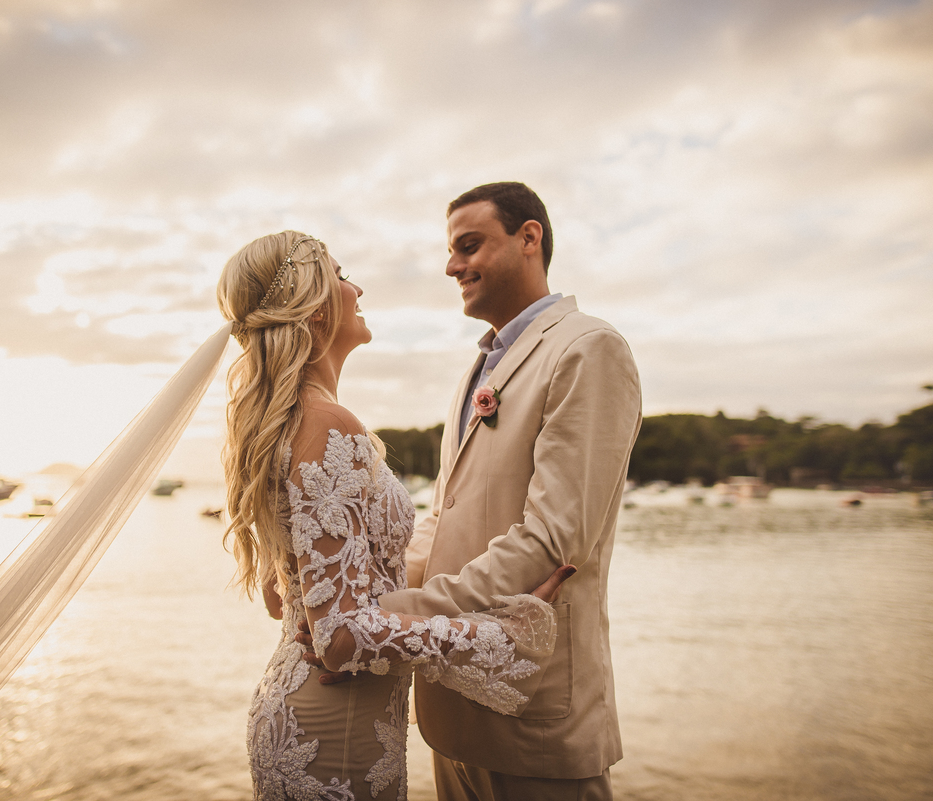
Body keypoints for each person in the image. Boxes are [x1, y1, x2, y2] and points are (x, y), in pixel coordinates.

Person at [215, 230, 575, 800]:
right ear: (313, 310)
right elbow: (338, 636)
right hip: (334, 732)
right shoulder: (328, 425)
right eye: (340, 274)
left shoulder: (283, 424)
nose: (356, 287)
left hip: (312, 709)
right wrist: (495, 634)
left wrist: (347, 609)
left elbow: (284, 599)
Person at [370, 182, 643, 800]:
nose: (451, 266)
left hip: (534, 711)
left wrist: (393, 621)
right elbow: (441, 519)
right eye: (450, 250)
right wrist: (366, 598)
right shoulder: (477, 368)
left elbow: (553, 539)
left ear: (529, 238)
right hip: (452, 708)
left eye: (469, 246)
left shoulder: (587, 349)